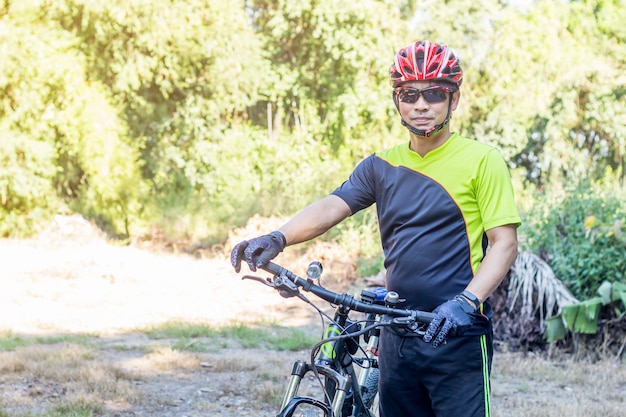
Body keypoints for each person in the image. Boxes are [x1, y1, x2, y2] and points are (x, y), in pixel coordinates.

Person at [231, 40, 521, 417]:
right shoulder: (380, 165)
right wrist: (276, 237)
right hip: (395, 333)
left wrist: (466, 302)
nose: (421, 105)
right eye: (409, 94)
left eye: (434, 93)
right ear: (397, 100)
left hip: (455, 333)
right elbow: (331, 206)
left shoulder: (482, 160)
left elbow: (505, 244)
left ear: (455, 99)